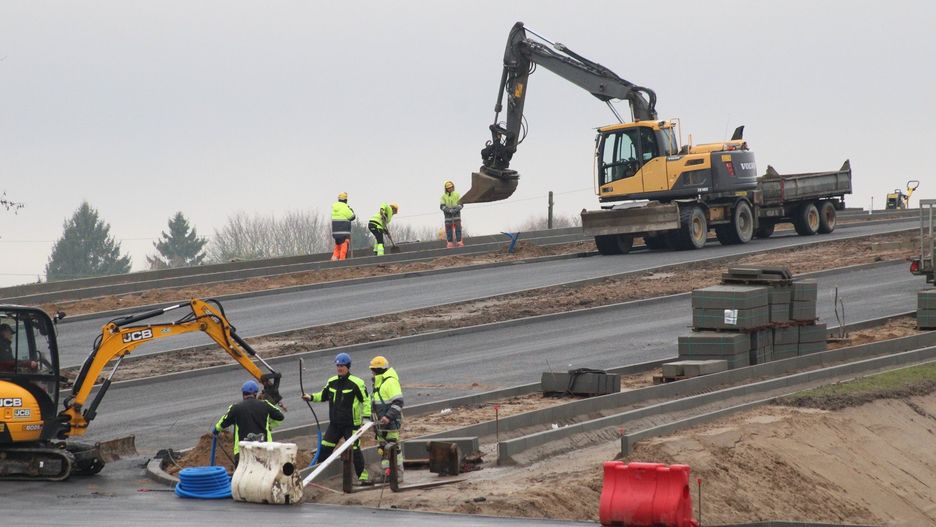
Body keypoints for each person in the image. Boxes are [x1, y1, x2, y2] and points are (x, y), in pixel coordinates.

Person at [302, 352, 370, 483]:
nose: (340, 368)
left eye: (342, 366)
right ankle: (317, 476)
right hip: (335, 424)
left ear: (348, 366)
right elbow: (323, 395)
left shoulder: (357, 383)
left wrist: (366, 418)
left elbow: (366, 401)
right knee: (325, 447)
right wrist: (310, 397)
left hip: (351, 424)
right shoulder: (332, 381)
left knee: (355, 449)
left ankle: (363, 477)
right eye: (338, 365)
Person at [214, 379, 285, 467]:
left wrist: (216, 430)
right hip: (265, 449)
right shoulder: (265, 405)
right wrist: (269, 424)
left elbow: (221, 424)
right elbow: (280, 417)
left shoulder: (236, 408)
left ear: (243, 394)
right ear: (255, 394)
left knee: (243, 479)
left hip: (242, 452)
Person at [369, 355, 404, 482]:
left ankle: (398, 475)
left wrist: (388, 417)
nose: (371, 372)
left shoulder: (390, 382)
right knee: (383, 449)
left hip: (390, 423)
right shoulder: (379, 383)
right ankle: (387, 475)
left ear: (377, 370)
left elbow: (398, 402)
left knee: (394, 449)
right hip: (381, 424)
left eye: (372, 369)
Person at [331, 192, 355, 261]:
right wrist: (351, 210)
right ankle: (342, 261)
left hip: (335, 233)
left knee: (338, 246)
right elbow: (352, 217)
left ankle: (334, 259)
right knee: (344, 245)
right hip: (343, 232)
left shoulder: (335, 208)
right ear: (346, 200)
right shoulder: (345, 207)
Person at [440, 180, 464, 248]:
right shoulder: (443, 197)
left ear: (453, 187)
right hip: (448, 215)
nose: (450, 189)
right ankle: (450, 243)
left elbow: (461, 204)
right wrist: (449, 210)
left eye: (451, 187)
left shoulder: (457, 194)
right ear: (446, 189)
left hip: (456, 215)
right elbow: (442, 206)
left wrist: (456, 209)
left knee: (458, 229)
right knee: (448, 230)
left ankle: (459, 242)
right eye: (448, 188)